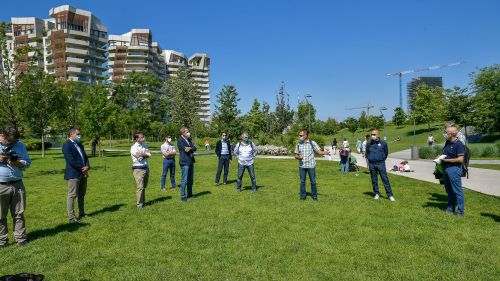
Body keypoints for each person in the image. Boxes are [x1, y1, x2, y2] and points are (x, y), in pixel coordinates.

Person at [0, 127, 31, 247]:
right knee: (0, 215)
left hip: (17, 184)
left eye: (15, 141)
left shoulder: (20, 145)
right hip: (1, 185)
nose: (14, 143)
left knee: (19, 213)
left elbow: (27, 162)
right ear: (3, 135)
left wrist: (17, 162)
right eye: (11, 141)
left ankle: (21, 239)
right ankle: (2, 241)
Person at [62, 126, 90, 222]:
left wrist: (87, 166)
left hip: (83, 173)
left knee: (81, 194)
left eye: (79, 134)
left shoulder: (80, 145)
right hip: (73, 174)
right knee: (72, 195)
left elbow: (85, 157)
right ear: (71, 134)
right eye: (78, 134)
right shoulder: (66, 145)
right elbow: (71, 160)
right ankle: (72, 216)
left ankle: (81, 213)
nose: (79, 136)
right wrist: (82, 168)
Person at [295, 130, 329, 200]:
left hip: (311, 166)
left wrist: (326, 152)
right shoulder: (298, 144)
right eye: (299, 135)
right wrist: (298, 157)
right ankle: (302, 196)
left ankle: (314, 196)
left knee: (313, 181)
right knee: (302, 182)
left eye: (301, 135)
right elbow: (296, 155)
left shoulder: (312, 143)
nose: (299, 137)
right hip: (302, 166)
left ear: (306, 135)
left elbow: (319, 152)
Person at [441, 126, 466, 216]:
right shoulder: (448, 142)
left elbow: (460, 159)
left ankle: (460, 211)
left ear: (451, 134)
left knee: (457, 190)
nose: (445, 134)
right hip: (446, 168)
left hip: (454, 169)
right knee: (449, 190)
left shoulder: (459, 144)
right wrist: (440, 157)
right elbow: (445, 154)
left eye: (446, 132)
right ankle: (450, 207)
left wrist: (447, 160)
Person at [366, 129, 395, 201]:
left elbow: (386, 153)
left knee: (385, 179)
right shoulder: (369, 144)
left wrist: (381, 159)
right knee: (374, 180)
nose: (372, 136)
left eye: (374, 134)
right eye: (372, 134)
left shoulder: (383, 143)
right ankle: (376, 193)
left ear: (378, 135)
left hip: (381, 164)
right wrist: (370, 159)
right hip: (372, 164)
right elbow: (367, 153)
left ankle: (390, 195)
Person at [130, 132, 151, 208]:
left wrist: (143, 154)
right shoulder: (133, 147)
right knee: (140, 187)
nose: (143, 138)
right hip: (138, 169)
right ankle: (139, 204)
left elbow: (149, 154)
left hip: (145, 168)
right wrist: (144, 153)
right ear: (137, 138)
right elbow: (138, 157)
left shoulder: (144, 145)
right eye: (141, 137)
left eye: (143, 137)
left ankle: (143, 201)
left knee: (144, 186)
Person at [178, 127, 197, 202]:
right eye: (187, 132)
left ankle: (190, 194)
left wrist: (190, 148)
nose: (189, 133)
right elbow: (185, 150)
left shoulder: (189, 139)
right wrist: (190, 148)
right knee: (184, 180)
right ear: (183, 133)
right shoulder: (180, 140)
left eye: (188, 131)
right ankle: (183, 196)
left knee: (190, 179)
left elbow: (194, 148)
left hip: (191, 161)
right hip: (184, 161)